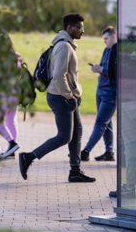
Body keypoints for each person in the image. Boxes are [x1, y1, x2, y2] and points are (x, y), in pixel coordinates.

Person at [19, 13, 95, 183]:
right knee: (64, 136)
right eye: (80, 27)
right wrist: (69, 96)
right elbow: (59, 75)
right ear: (69, 28)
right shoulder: (64, 47)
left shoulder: (66, 45)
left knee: (77, 132)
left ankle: (75, 171)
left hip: (66, 96)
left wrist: (74, 93)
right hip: (60, 97)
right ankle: (28, 157)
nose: (82, 30)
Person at [81, 26, 117, 162]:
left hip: (110, 94)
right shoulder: (106, 50)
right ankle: (109, 153)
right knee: (106, 124)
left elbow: (117, 72)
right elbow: (106, 68)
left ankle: (85, 151)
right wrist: (99, 68)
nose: (104, 41)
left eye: (106, 38)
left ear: (114, 37)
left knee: (100, 123)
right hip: (100, 90)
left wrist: (101, 69)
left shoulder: (119, 51)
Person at [0, 33, 22, 159]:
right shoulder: (17, 56)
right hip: (17, 91)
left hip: (7, 92)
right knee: (10, 120)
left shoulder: (5, 59)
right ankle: (11, 151)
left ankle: (12, 143)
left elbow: (1, 78)